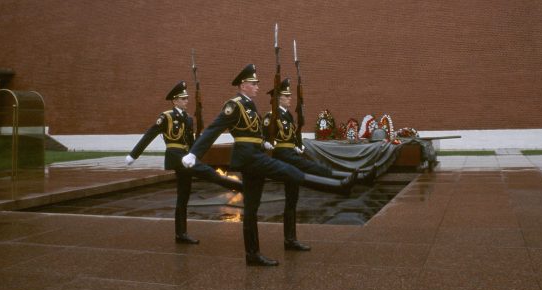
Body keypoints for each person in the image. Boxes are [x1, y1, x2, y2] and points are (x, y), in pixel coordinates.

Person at [182, 64, 356, 266]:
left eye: (256, 83)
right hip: (249, 156)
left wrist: (264, 141)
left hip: (255, 154)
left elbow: (254, 132)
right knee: (290, 171)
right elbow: (213, 129)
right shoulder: (235, 105)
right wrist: (194, 153)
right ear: (243, 85)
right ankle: (338, 187)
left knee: (252, 208)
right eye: (253, 83)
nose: (257, 86)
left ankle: (252, 255)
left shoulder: (250, 105)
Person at [263, 78, 375, 251]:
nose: (289, 98)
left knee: (292, 200)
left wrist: (298, 145)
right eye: (286, 95)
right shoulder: (271, 116)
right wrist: (266, 143)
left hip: (290, 153)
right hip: (282, 156)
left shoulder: (287, 115)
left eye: (290, 95)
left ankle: (290, 240)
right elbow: (264, 136)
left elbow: (292, 135)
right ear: (278, 98)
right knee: (312, 168)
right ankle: (353, 179)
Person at [125, 80, 243, 244]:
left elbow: (191, 141)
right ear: (175, 101)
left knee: (183, 196)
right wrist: (134, 155)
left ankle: (181, 234)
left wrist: (197, 145)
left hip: (186, 158)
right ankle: (240, 187)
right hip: (175, 156)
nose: (187, 101)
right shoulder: (166, 117)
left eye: (187, 98)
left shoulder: (188, 118)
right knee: (210, 173)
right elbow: (149, 135)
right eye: (183, 98)